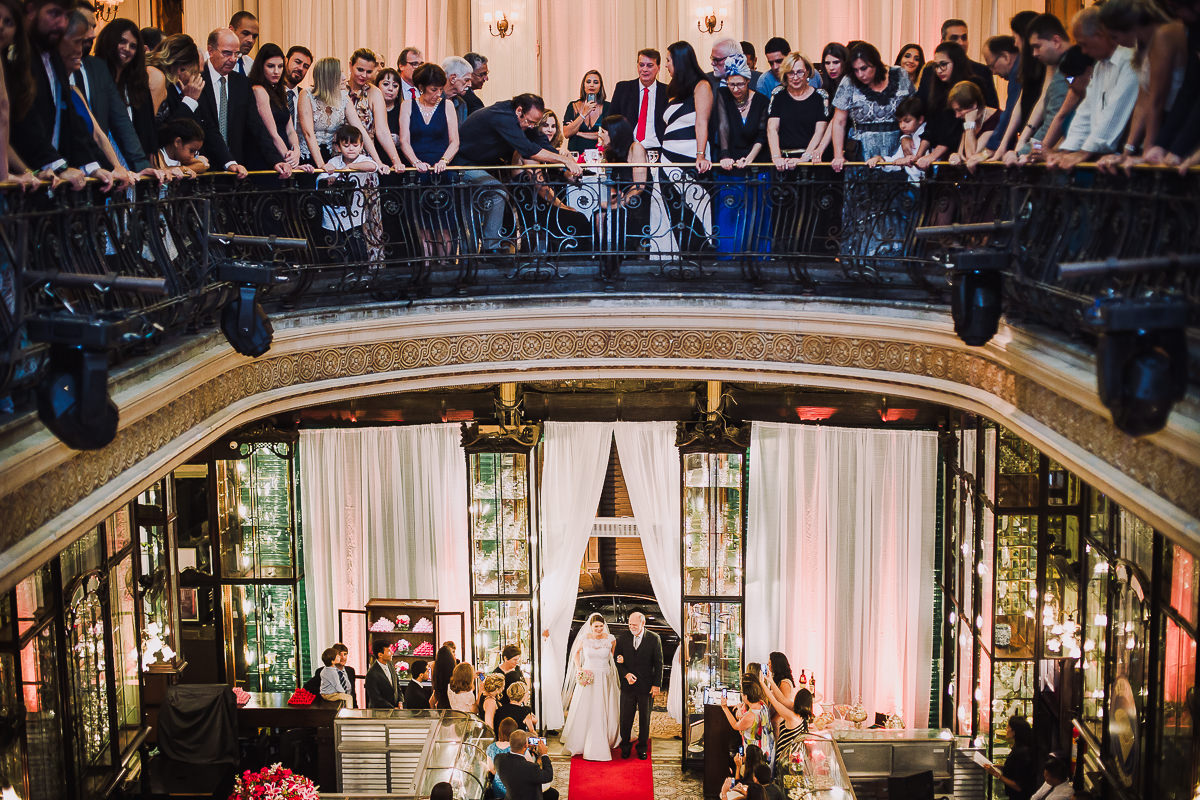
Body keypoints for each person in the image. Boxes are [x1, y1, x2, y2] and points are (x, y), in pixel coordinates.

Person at [452, 93, 581, 255]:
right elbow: (528, 150)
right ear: (519, 111)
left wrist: (564, 164)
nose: (532, 126)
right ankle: (488, 248)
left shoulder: (524, 122)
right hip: (464, 163)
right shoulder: (502, 116)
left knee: (497, 196)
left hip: (487, 165)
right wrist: (564, 161)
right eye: (531, 122)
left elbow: (539, 142)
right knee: (496, 192)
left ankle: (491, 246)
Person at [174, 28, 289, 178]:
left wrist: (275, 160)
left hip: (237, 170)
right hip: (201, 169)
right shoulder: (195, 79)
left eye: (237, 54)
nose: (233, 59)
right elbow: (205, 126)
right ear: (210, 50)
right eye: (227, 53)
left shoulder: (242, 83)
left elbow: (256, 126)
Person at [1046, 6, 1139, 169]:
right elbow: (1086, 111)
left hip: (1125, 153)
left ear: (1100, 35)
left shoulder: (1129, 60)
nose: (1084, 51)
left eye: (1084, 44)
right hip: (1102, 155)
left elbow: (1115, 109)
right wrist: (1068, 150)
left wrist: (1085, 151)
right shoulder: (1100, 67)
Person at [658, 40, 715, 254]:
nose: (666, 65)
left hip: (689, 156)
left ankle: (701, 254)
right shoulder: (676, 90)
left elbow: (702, 121)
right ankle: (679, 256)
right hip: (668, 159)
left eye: (669, 60)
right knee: (675, 210)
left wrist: (700, 155)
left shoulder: (702, 85)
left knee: (694, 207)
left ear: (680, 61)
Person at [830, 42, 914, 172]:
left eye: (864, 68)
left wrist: (907, 136)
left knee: (896, 190)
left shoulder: (900, 74)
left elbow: (914, 110)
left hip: (897, 148)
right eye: (855, 70)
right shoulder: (849, 81)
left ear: (876, 64)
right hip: (862, 150)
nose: (860, 75)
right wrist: (838, 155)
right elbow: (839, 121)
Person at [1005, 14, 1074, 162]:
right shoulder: (1060, 67)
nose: (1035, 53)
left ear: (1056, 41)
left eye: (1037, 46)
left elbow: (1055, 118)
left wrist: (1023, 152)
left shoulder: (1067, 69)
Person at [90, 18, 156, 172]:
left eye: (133, 46)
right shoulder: (94, 75)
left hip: (133, 165)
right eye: (122, 42)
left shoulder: (137, 84)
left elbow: (147, 132)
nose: (127, 49)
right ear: (110, 41)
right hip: (101, 164)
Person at [299, 57, 382, 170]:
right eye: (339, 73)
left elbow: (360, 129)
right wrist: (321, 166)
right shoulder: (306, 94)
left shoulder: (343, 96)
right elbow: (308, 133)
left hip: (330, 155)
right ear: (328, 77)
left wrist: (378, 162)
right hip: (307, 156)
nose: (344, 77)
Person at [561, 613, 620, 761]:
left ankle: (609, 735)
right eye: (596, 626)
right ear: (591, 626)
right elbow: (575, 653)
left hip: (605, 676)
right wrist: (579, 668)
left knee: (605, 706)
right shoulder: (584, 638)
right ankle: (582, 737)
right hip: (589, 676)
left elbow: (612, 658)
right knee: (587, 706)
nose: (599, 629)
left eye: (601, 626)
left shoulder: (611, 639)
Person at [346, 48, 405, 172]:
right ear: (351, 65)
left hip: (367, 159)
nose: (363, 75)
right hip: (339, 157)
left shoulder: (374, 92)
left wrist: (396, 161)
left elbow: (383, 131)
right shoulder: (340, 90)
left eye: (369, 71)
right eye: (360, 69)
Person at [767, 52, 830, 168]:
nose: (795, 77)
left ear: (807, 72)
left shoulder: (819, 96)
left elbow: (820, 131)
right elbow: (772, 128)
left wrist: (804, 158)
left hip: (811, 163)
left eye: (800, 72)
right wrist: (776, 157)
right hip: (783, 163)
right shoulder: (778, 95)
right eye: (790, 73)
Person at [614, 610, 663, 760]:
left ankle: (642, 748)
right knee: (625, 719)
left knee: (645, 719)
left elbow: (659, 663)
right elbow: (617, 659)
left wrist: (656, 685)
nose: (632, 627)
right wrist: (626, 674)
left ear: (643, 623)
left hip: (646, 687)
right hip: (628, 686)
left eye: (635, 624)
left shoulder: (654, 638)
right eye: (630, 624)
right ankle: (625, 747)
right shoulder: (623, 638)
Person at [247, 42, 303, 170]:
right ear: (261, 67)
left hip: (285, 156)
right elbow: (272, 134)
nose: (276, 71)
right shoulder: (258, 90)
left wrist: (296, 151)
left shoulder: (279, 90)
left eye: (280, 66)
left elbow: (290, 130)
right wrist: (290, 163)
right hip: (269, 159)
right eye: (271, 66)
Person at [925, 18, 1001, 108]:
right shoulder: (929, 72)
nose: (961, 43)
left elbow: (991, 109)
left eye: (964, 38)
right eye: (954, 38)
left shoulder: (982, 71)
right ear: (943, 42)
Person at [610, 48, 668, 151]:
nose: (644, 69)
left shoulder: (668, 92)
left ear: (658, 68)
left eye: (650, 66)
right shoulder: (623, 88)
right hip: (627, 150)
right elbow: (611, 120)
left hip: (658, 150)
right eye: (641, 65)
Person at [865, 96, 926, 182]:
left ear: (920, 119)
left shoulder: (927, 135)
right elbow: (896, 161)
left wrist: (910, 160)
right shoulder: (908, 137)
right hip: (914, 184)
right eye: (900, 122)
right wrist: (880, 159)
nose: (902, 126)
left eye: (907, 121)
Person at [762, 681, 813, 779]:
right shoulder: (802, 715)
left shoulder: (792, 717)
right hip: (795, 760)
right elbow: (781, 699)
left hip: (786, 761)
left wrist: (762, 683)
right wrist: (771, 680)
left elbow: (775, 702)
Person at [721, 674, 775, 765]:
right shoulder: (762, 703)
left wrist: (724, 708)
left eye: (741, 692)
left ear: (746, 696)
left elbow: (736, 726)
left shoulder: (750, 715)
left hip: (754, 754)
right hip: (765, 749)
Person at [984, 715, 1038, 800]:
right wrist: (1001, 767)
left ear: (1014, 731)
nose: (1006, 729)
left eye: (1008, 727)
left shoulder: (1022, 752)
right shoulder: (1018, 748)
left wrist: (997, 774)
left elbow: (1018, 786)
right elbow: (1015, 770)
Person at [494, 731, 558, 800]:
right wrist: (544, 754)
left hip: (510, 796)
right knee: (553, 794)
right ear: (526, 746)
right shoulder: (530, 767)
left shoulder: (498, 759)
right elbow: (548, 776)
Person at [946, 81, 1000, 163]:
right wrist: (955, 156)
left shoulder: (995, 119)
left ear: (974, 105)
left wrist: (970, 124)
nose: (957, 115)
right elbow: (962, 153)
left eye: (959, 110)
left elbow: (971, 156)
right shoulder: (969, 120)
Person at [562, 70, 611, 155]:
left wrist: (578, 133)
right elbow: (567, 133)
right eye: (588, 82)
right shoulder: (573, 105)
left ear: (600, 86)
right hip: (576, 154)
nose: (591, 85)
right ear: (583, 85)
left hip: (599, 156)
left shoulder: (607, 107)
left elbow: (608, 135)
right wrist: (583, 114)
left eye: (596, 82)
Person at [282, 45, 313, 133]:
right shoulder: (270, 92)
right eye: (297, 62)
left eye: (306, 66)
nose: (300, 68)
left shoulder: (306, 97)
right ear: (285, 61)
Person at [485, 718, 518, 798]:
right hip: (516, 787)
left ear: (500, 731)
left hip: (498, 787)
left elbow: (491, 769)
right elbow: (530, 765)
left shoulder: (491, 748)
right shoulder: (518, 746)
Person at [365, 638, 401, 709]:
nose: (392, 653)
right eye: (389, 651)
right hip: (380, 713)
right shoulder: (371, 674)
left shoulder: (390, 664)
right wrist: (392, 708)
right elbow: (375, 698)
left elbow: (397, 685)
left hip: (395, 711)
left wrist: (400, 701)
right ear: (380, 655)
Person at [374, 67, 402, 149]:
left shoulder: (403, 111)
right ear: (377, 86)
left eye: (395, 86)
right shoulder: (368, 110)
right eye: (386, 84)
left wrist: (400, 141)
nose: (390, 89)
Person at [441, 56, 474, 125]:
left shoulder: (462, 104)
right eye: (466, 80)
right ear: (453, 78)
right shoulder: (433, 99)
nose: (470, 85)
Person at [228, 11, 258, 76]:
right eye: (245, 33)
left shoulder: (251, 65)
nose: (251, 40)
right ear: (231, 31)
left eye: (254, 36)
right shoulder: (211, 61)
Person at [432, 643, 457, 709]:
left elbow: (431, 701)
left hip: (442, 709)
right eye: (453, 652)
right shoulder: (455, 678)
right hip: (454, 711)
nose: (454, 655)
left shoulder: (437, 674)